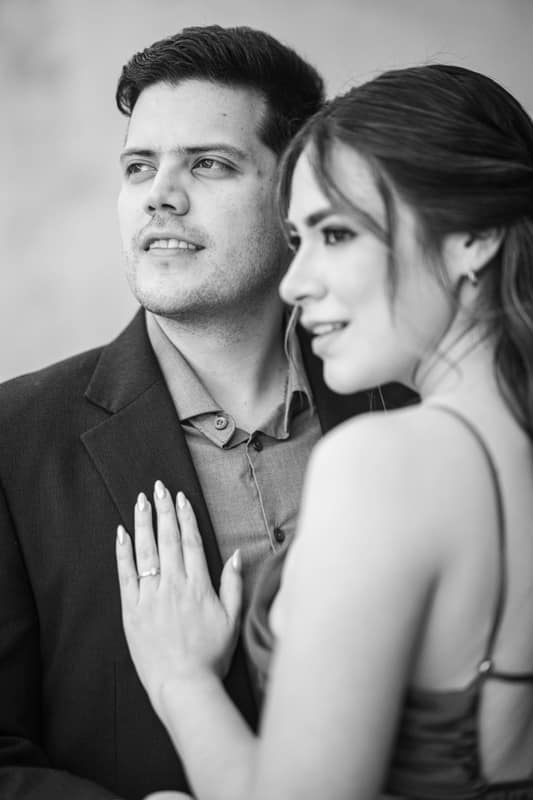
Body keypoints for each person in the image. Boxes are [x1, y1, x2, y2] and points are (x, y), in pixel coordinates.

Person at [0, 24, 413, 800]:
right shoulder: (13, 441)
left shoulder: (409, 407)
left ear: (293, 197)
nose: (159, 193)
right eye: (138, 166)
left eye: (208, 163)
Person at [116, 63, 533, 800]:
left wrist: (182, 681)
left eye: (336, 234)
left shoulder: (381, 461)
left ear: (474, 239)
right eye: (296, 237)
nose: (295, 281)